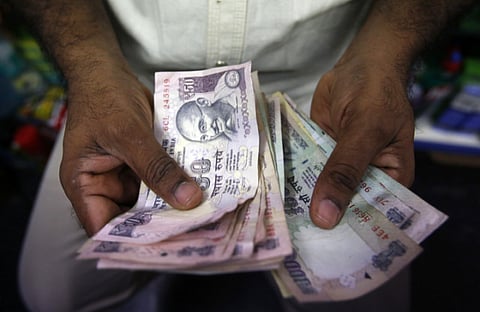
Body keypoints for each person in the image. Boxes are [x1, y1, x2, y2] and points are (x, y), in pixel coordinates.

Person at [9, 0, 474, 311]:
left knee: (360, 293)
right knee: (53, 295)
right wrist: (89, 68)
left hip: (327, 89)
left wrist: (387, 56)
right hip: (131, 88)